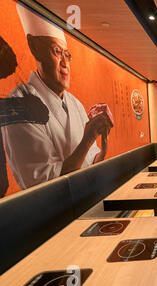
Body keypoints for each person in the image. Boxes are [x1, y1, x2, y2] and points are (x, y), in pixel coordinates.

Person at [1, 3, 113, 189]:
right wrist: (87, 139)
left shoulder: (74, 103)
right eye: (57, 52)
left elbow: (92, 161)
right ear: (34, 47)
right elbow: (46, 186)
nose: (65, 64)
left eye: (67, 55)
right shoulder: (19, 105)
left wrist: (103, 144)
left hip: (86, 199)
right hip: (53, 214)